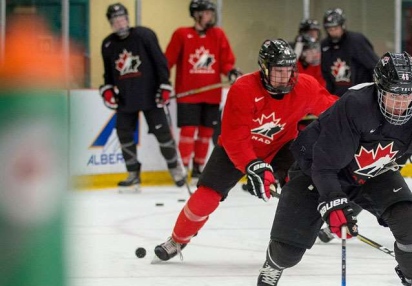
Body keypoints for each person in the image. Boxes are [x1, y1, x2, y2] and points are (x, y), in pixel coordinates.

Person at [255, 51, 412, 286]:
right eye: (394, 95)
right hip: (316, 170)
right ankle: (274, 260)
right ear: (379, 89)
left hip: (373, 171)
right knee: (288, 253)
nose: (401, 103)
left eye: (408, 94)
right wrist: (334, 202)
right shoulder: (356, 105)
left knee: (410, 221)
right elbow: (325, 166)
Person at [153, 39, 338, 261]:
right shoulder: (243, 89)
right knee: (206, 197)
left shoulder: (305, 87)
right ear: (264, 68)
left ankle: (294, 241)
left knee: (300, 188)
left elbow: (335, 111)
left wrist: (361, 114)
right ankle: (177, 240)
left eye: (289, 70)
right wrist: (253, 166)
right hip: (238, 148)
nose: (285, 77)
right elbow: (235, 138)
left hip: (282, 146)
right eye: (278, 71)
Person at [100, 3, 186, 191]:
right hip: (125, 98)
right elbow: (108, 74)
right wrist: (107, 90)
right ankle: (133, 174)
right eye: (115, 21)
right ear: (110, 23)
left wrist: (164, 86)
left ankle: (175, 170)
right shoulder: (108, 44)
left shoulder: (144, 35)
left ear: (128, 19)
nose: (119, 23)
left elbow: (160, 62)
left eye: (122, 19)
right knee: (123, 134)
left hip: (151, 96)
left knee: (163, 134)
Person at [165, 0, 242, 182]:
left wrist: (231, 71)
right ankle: (183, 168)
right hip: (188, 95)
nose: (209, 16)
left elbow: (226, 61)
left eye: (210, 13)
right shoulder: (182, 34)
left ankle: (199, 167)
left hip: (211, 95)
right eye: (206, 13)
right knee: (188, 131)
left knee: (207, 132)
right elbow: (168, 60)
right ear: (196, 14)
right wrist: (162, 82)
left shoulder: (218, 34)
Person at [320, 8, 378, 96]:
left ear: (342, 26)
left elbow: (374, 65)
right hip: (338, 97)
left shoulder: (357, 41)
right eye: (329, 29)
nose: (333, 32)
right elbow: (326, 73)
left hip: (361, 95)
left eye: (335, 28)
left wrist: (373, 92)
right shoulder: (325, 45)